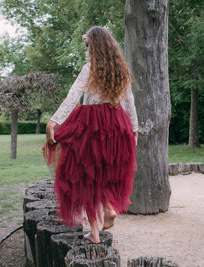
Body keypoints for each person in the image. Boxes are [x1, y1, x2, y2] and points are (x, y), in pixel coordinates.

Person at [43, 26, 138, 244]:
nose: (86, 50)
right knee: (102, 173)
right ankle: (106, 211)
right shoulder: (120, 71)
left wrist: (53, 122)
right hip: (116, 125)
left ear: (93, 46)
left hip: (91, 126)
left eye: (87, 45)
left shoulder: (89, 69)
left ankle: (96, 228)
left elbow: (72, 97)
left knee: (86, 176)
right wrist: (134, 129)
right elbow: (129, 102)